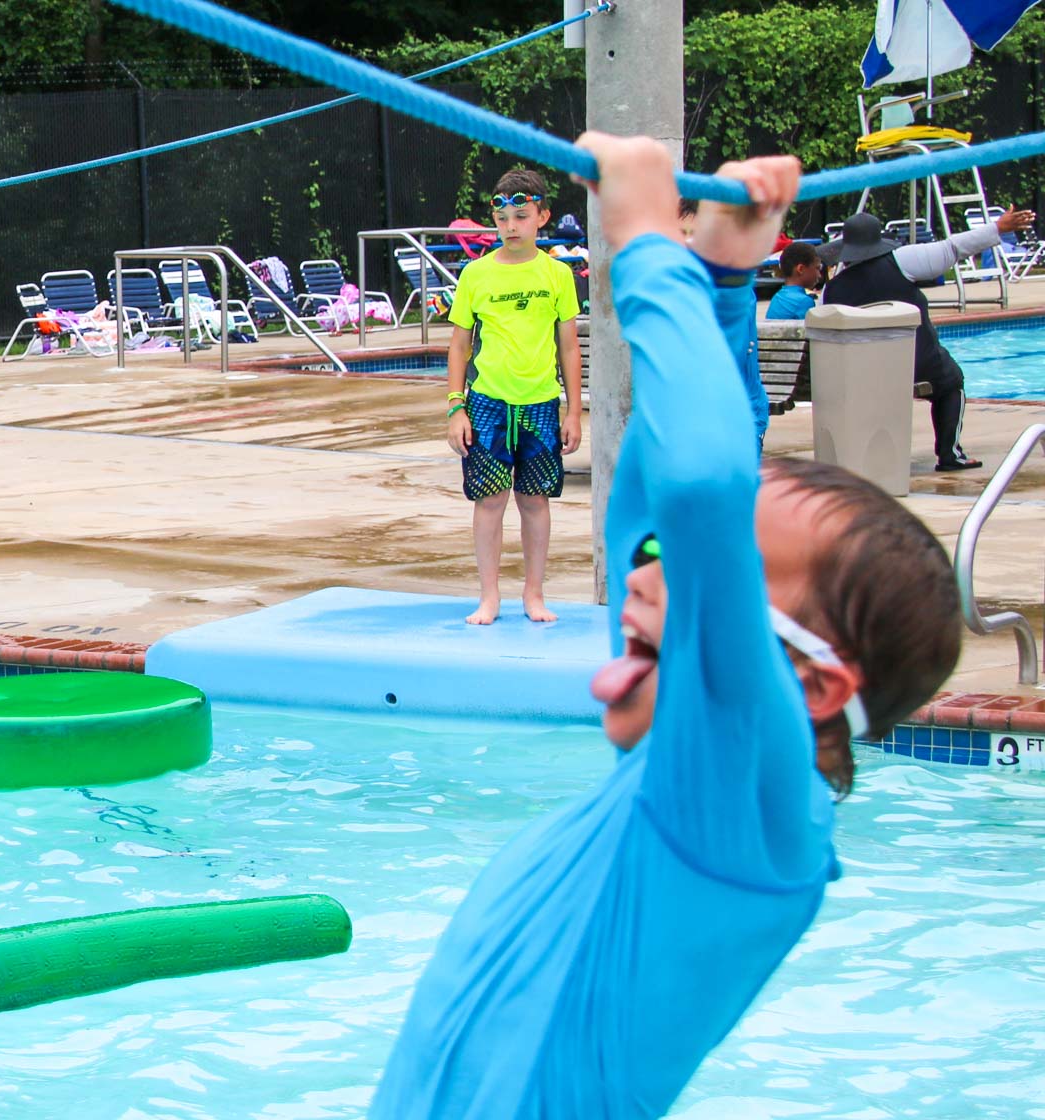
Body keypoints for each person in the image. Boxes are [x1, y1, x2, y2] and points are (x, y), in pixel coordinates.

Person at [372, 135, 963, 1118]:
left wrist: (647, 246)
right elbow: (656, 498)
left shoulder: (753, 803)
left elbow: (699, 487)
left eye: (709, 572)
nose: (647, 574)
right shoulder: (675, 778)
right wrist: (725, 282)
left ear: (810, 683)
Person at [444, 167, 583, 626]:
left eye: (522, 217)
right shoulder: (476, 275)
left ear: (542, 217)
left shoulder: (558, 275)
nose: (511, 227)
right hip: (486, 403)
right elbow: (460, 345)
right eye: (504, 219)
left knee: (535, 500)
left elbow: (568, 346)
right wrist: (455, 407)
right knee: (489, 500)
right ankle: (489, 596)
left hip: (540, 403)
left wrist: (574, 411)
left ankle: (534, 593)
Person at [818, 207, 1035, 472]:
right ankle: (950, 454)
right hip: (917, 365)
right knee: (951, 381)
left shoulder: (832, 289)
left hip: (861, 374)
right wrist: (997, 228)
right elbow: (954, 248)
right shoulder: (902, 260)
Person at [765, 240, 824, 320]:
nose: (819, 275)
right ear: (801, 269)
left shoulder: (778, 296)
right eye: (817, 268)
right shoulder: (804, 301)